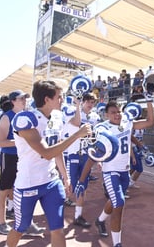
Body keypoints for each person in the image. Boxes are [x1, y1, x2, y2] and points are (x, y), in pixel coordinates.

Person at [5, 80, 92, 247]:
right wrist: (77, 135)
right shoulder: (25, 119)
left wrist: (65, 176)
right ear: (47, 99)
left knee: (57, 229)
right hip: (28, 184)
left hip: (51, 182)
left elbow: (57, 150)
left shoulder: (56, 117)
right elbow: (46, 153)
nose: (62, 100)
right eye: (59, 97)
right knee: (20, 227)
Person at [75, 98, 154, 246]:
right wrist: (81, 180)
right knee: (119, 203)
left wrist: (149, 100)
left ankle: (100, 220)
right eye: (113, 112)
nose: (117, 115)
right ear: (106, 115)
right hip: (111, 172)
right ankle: (117, 243)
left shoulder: (127, 123)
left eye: (119, 111)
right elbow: (93, 156)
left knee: (114, 201)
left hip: (124, 172)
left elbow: (150, 121)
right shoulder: (101, 129)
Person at [0, 90, 44, 236]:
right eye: (21, 98)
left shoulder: (28, 116)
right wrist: (21, 141)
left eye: (25, 98)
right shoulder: (6, 117)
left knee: (25, 189)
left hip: (24, 158)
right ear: (13, 101)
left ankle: (26, 223)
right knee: (4, 189)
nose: (24, 100)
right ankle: (1, 223)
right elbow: (2, 142)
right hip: (10, 157)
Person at [63, 92, 100, 229]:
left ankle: (78, 216)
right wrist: (77, 105)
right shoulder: (72, 111)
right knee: (70, 184)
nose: (90, 105)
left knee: (82, 185)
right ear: (83, 101)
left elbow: (93, 136)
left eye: (92, 102)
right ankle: (55, 207)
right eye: (88, 101)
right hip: (72, 153)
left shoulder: (95, 117)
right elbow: (76, 123)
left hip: (86, 154)